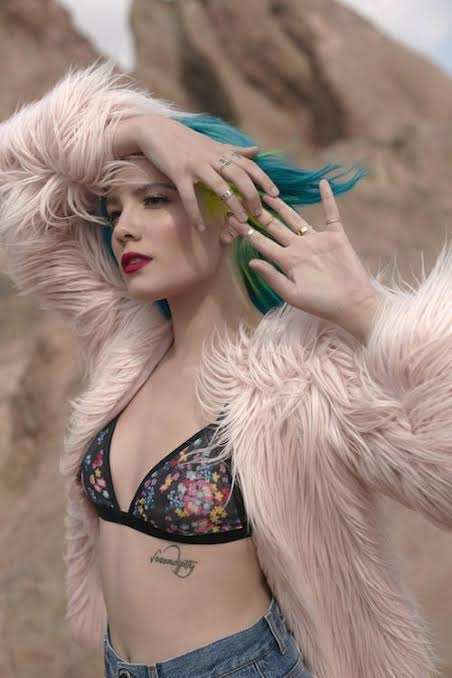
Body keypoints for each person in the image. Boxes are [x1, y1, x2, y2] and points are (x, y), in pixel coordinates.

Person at [0, 59, 451, 678]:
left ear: (231, 213)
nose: (124, 228)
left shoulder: (303, 378)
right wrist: (144, 131)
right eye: (113, 209)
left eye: (155, 199)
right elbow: (15, 172)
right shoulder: (125, 344)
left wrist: (368, 314)